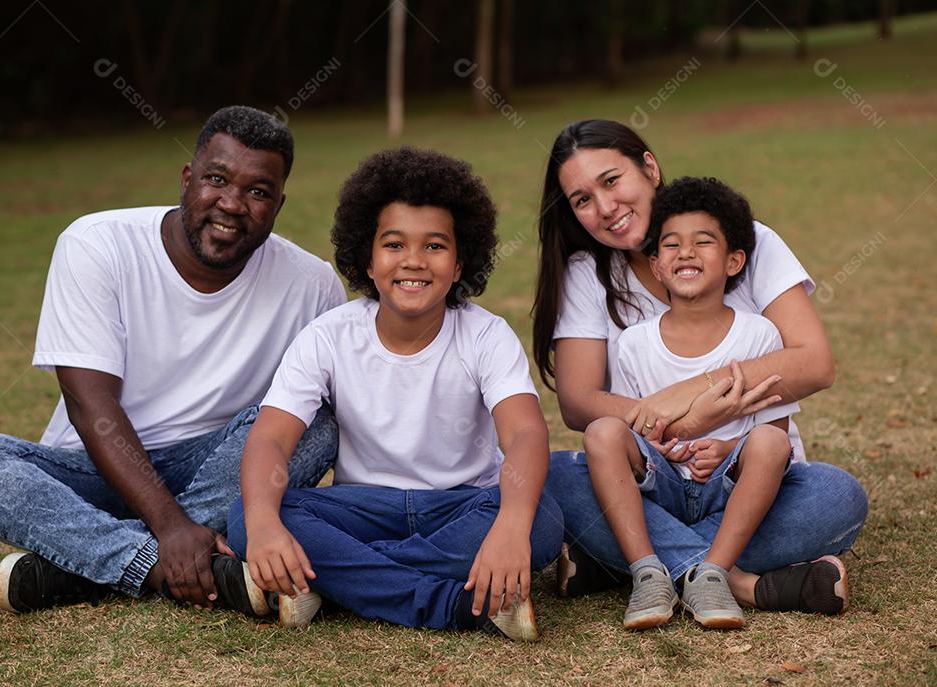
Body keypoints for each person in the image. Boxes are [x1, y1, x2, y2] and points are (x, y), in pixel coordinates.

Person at [0, 106, 346, 614]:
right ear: (188, 179)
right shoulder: (97, 244)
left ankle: (83, 571)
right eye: (216, 179)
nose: (232, 203)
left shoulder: (312, 284)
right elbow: (90, 406)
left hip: (219, 469)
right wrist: (169, 528)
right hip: (97, 471)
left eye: (257, 191)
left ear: (278, 203)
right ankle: (164, 562)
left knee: (316, 424)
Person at [218, 147, 563, 640]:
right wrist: (263, 524)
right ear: (368, 257)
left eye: (435, 246)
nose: (413, 261)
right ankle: (453, 606)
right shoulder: (328, 336)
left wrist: (509, 524)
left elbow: (526, 433)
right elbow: (270, 438)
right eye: (394, 244)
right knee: (248, 516)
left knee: (541, 519)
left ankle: (332, 581)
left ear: (460, 263)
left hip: (462, 506)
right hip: (362, 508)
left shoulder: (486, 335)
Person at [533, 119, 868, 615]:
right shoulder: (589, 274)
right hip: (653, 478)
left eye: (611, 180)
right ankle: (734, 582)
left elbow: (815, 363)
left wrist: (692, 393)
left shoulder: (745, 241)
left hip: (748, 480)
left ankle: (626, 562)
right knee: (554, 477)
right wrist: (682, 425)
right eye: (582, 199)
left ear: (649, 168)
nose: (605, 208)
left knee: (837, 497)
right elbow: (579, 403)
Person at [586, 176, 821, 631]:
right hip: (662, 490)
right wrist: (660, 445)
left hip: (732, 490)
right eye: (671, 244)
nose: (686, 252)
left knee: (833, 491)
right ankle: (646, 572)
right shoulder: (634, 343)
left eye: (703, 242)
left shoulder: (759, 336)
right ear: (656, 266)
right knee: (592, 442)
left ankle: (711, 573)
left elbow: (774, 437)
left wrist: (728, 446)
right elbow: (634, 436)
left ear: (734, 261)